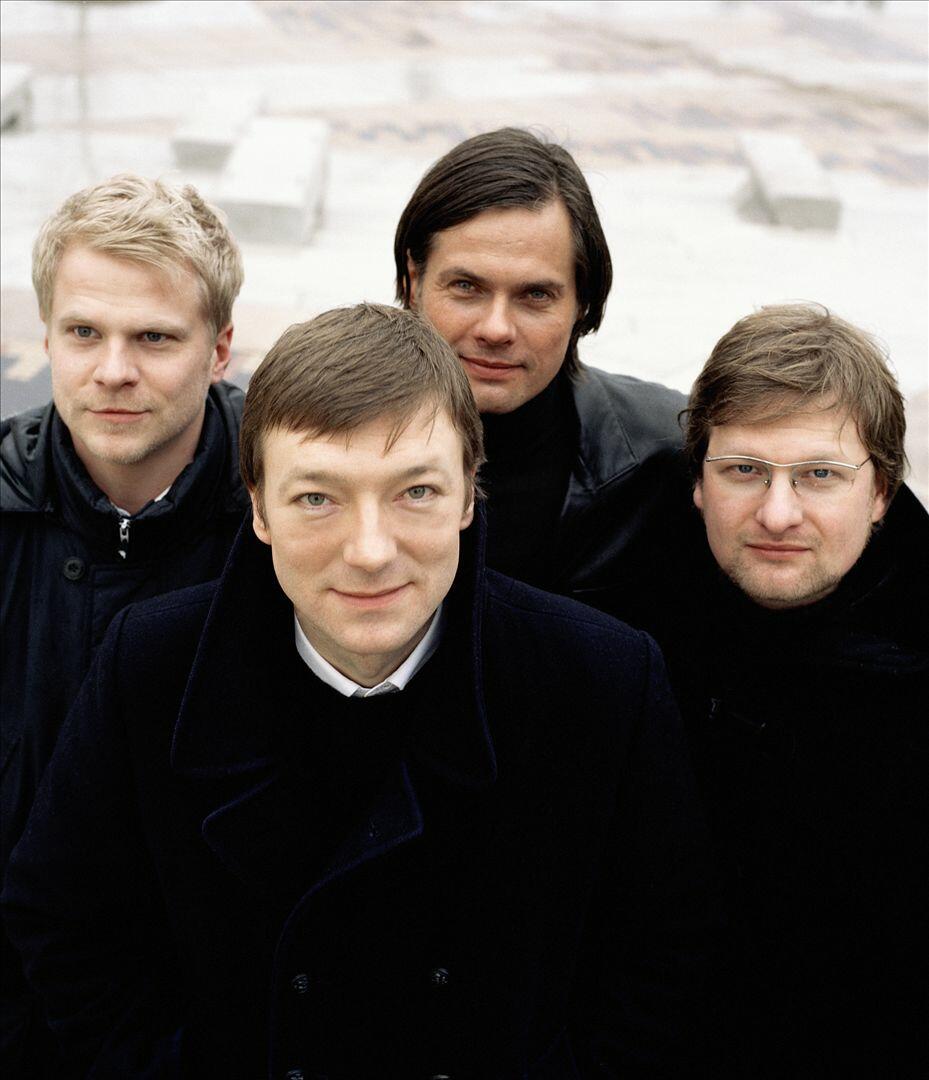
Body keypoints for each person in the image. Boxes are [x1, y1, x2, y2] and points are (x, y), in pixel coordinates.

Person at [4, 304, 713, 1078]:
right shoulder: (150, 666)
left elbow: (660, 955)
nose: (370, 551)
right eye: (318, 498)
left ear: (468, 496)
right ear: (259, 507)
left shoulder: (602, 681)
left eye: (416, 492)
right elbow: (64, 920)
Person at [0, 174, 247, 1075]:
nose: (112, 370)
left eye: (154, 337)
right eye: (83, 334)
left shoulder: (291, 517)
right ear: (46, 339)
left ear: (219, 348)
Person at [666, 303, 929, 1075]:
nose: (777, 514)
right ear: (697, 483)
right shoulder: (629, 631)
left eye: (819, 475)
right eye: (743, 470)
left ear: (879, 494)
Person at [395, 127, 699, 628]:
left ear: (582, 303)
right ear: (413, 281)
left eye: (535, 295)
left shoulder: (670, 456)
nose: (496, 329)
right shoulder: (306, 439)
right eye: (467, 286)